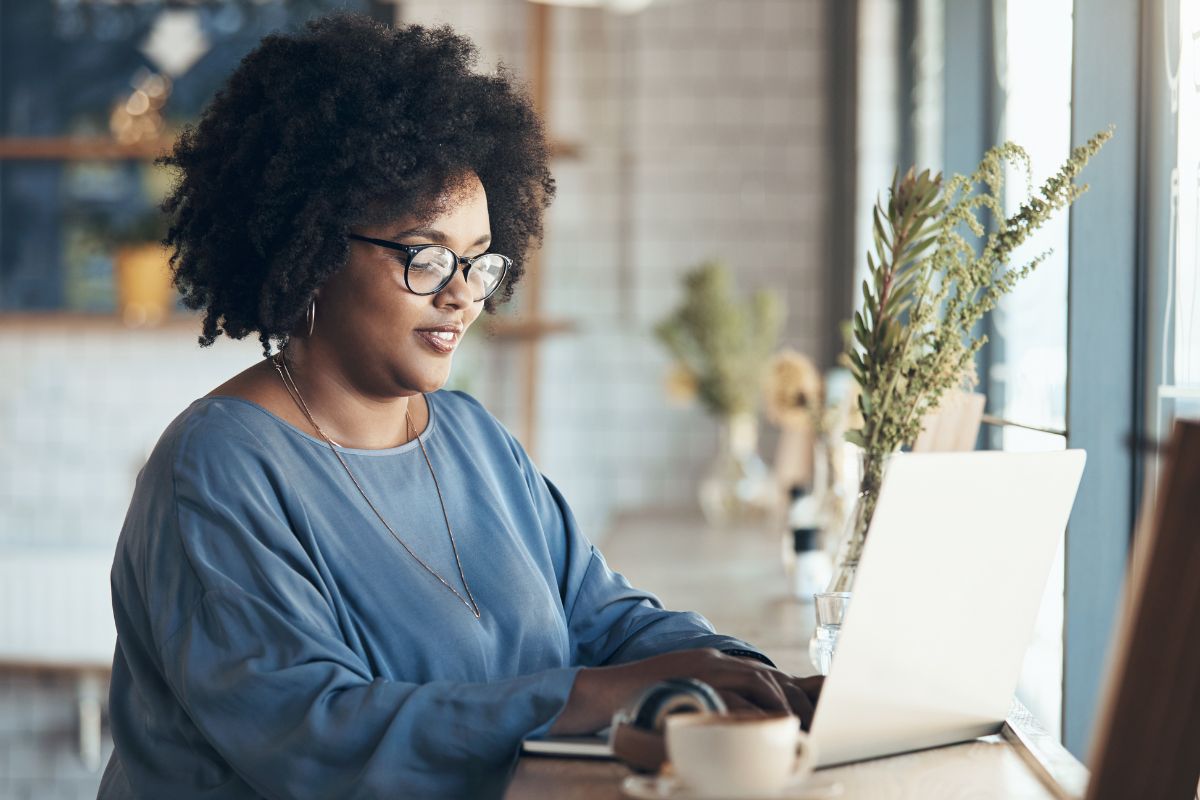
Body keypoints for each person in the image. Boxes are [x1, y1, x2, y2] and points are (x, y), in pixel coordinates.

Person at [99, 13, 820, 800]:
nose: (461, 295)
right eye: (426, 255)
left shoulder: (474, 440)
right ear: (309, 248)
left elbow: (605, 619)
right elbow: (317, 737)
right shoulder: (216, 468)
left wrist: (752, 676)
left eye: (480, 262)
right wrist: (587, 696)